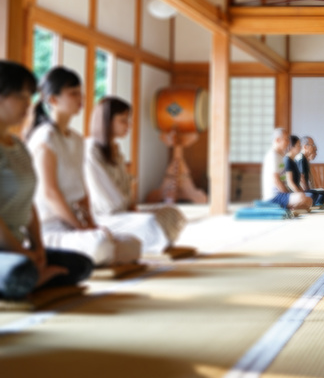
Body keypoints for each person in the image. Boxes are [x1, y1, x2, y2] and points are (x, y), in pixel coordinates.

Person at [26, 67, 141, 266]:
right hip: (50, 229)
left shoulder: (78, 140)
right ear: (53, 100)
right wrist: (81, 228)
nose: (81, 98)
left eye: (81, 93)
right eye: (73, 93)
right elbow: (50, 193)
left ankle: (87, 253)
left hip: (74, 228)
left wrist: (91, 225)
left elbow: (82, 192)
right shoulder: (45, 137)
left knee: (134, 244)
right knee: (101, 244)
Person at [0, 61, 92, 300]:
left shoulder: (18, 146)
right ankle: (32, 278)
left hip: (18, 248)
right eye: (21, 96)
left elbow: (28, 203)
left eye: (29, 96)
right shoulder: (44, 138)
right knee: (19, 272)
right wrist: (21, 252)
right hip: (8, 250)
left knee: (82, 265)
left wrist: (37, 247)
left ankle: (34, 277)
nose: (28, 104)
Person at [85, 97, 186, 254]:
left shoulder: (115, 150)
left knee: (172, 213)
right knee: (149, 222)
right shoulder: (91, 151)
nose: (129, 125)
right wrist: (131, 210)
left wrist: (133, 207)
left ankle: (144, 238)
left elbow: (125, 187)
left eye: (128, 120)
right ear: (107, 122)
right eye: (123, 120)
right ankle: (140, 240)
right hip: (106, 218)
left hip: (124, 214)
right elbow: (108, 199)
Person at [260, 128, 311, 214]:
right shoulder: (273, 155)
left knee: (309, 200)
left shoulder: (280, 155)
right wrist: (288, 196)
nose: (288, 142)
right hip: (274, 196)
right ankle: (284, 206)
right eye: (286, 139)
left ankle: (287, 207)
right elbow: (276, 180)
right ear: (277, 140)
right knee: (302, 198)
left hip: (281, 195)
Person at [282, 135, 313, 214]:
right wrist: (300, 194)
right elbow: (290, 183)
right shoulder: (287, 160)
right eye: (298, 145)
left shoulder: (293, 160)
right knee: (306, 198)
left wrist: (303, 193)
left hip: (295, 194)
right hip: (289, 194)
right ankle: (291, 206)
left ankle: (296, 206)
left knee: (309, 199)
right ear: (292, 147)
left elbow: (298, 182)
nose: (300, 147)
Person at [297, 136, 324, 207]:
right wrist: (306, 192)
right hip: (299, 191)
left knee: (321, 193)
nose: (314, 147)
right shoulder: (300, 158)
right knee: (315, 194)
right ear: (305, 147)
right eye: (312, 145)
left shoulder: (304, 158)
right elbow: (301, 178)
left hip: (304, 190)